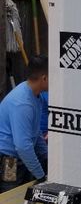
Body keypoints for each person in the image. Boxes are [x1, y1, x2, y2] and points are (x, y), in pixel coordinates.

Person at [0, 55, 48, 193]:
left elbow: (35, 131)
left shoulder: (35, 95)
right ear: (44, 78)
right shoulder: (23, 103)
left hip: (21, 156)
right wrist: (41, 176)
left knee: (24, 196)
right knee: (10, 200)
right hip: (8, 159)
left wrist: (47, 156)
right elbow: (22, 146)